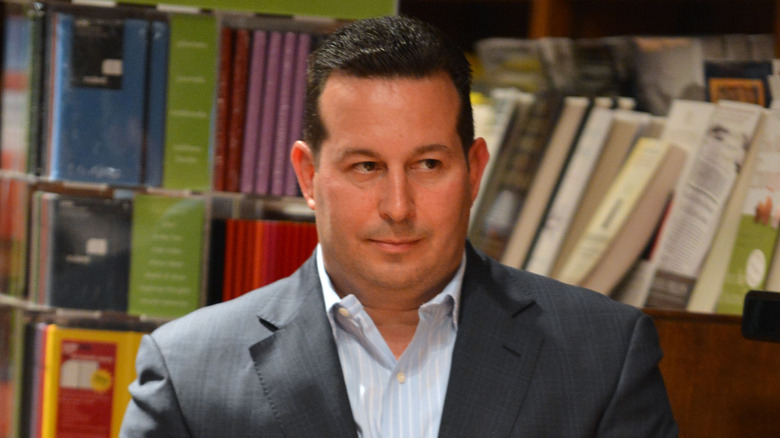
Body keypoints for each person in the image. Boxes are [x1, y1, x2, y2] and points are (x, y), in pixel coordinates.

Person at [120, 15, 677, 437]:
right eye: (366, 167)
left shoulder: (604, 355)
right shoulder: (189, 373)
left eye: (427, 165)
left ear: (475, 170)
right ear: (308, 177)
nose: (398, 205)